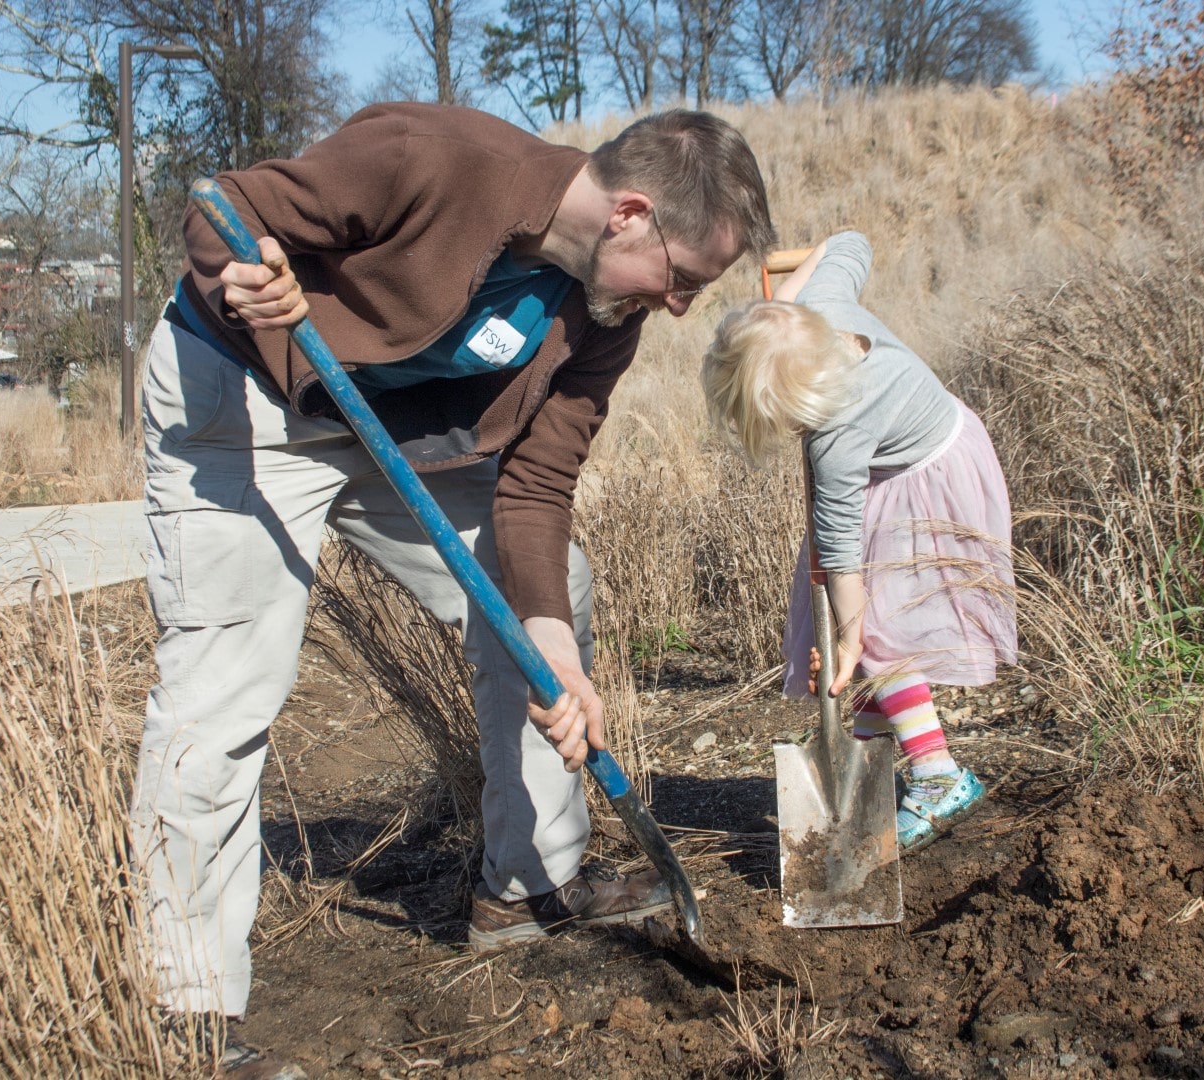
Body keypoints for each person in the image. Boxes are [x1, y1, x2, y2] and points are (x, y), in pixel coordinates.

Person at [133, 101, 774, 1074]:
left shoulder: (603, 316)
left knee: (557, 592)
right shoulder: (435, 160)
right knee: (223, 686)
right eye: (683, 280)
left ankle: (527, 886)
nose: (680, 306)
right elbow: (222, 206)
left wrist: (548, 639)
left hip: (399, 435)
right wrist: (246, 276)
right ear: (631, 214)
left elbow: (537, 484)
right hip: (251, 396)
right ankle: (182, 1019)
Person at [702, 231, 1015, 855]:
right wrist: (785, 303)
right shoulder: (819, 306)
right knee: (870, 638)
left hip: (927, 479)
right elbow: (849, 242)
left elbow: (840, 553)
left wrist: (849, 638)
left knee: (878, 633)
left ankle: (938, 779)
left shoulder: (836, 437)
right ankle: (868, 754)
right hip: (904, 461)